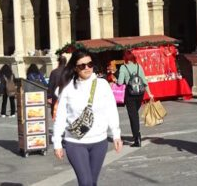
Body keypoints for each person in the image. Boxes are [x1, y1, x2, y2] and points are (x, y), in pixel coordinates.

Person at [53, 50, 122, 186]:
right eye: (82, 66)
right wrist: (57, 143)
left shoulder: (102, 85)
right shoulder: (67, 88)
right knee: (86, 182)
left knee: (92, 182)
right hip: (75, 143)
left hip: (99, 142)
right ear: (75, 68)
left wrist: (116, 135)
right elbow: (60, 116)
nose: (87, 68)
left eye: (89, 64)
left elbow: (111, 110)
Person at [116, 50, 154, 147]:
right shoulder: (138, 66)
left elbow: (120, 82)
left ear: (125, 58)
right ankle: (136, 135)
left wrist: (116, 80)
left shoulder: (123, 67)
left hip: (130, 94)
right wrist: (150, 94)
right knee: (135, 114)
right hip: (140, 94)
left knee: (133, 116)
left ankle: (137, 138)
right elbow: (144, 81)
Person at [48, 55, 68, 120]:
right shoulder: (69, 72)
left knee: (55, 112)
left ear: (58, 62)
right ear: (66, 62)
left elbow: (50, 85)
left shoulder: (54, 72)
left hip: (56, 96)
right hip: (67, 95)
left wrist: (49, 96)